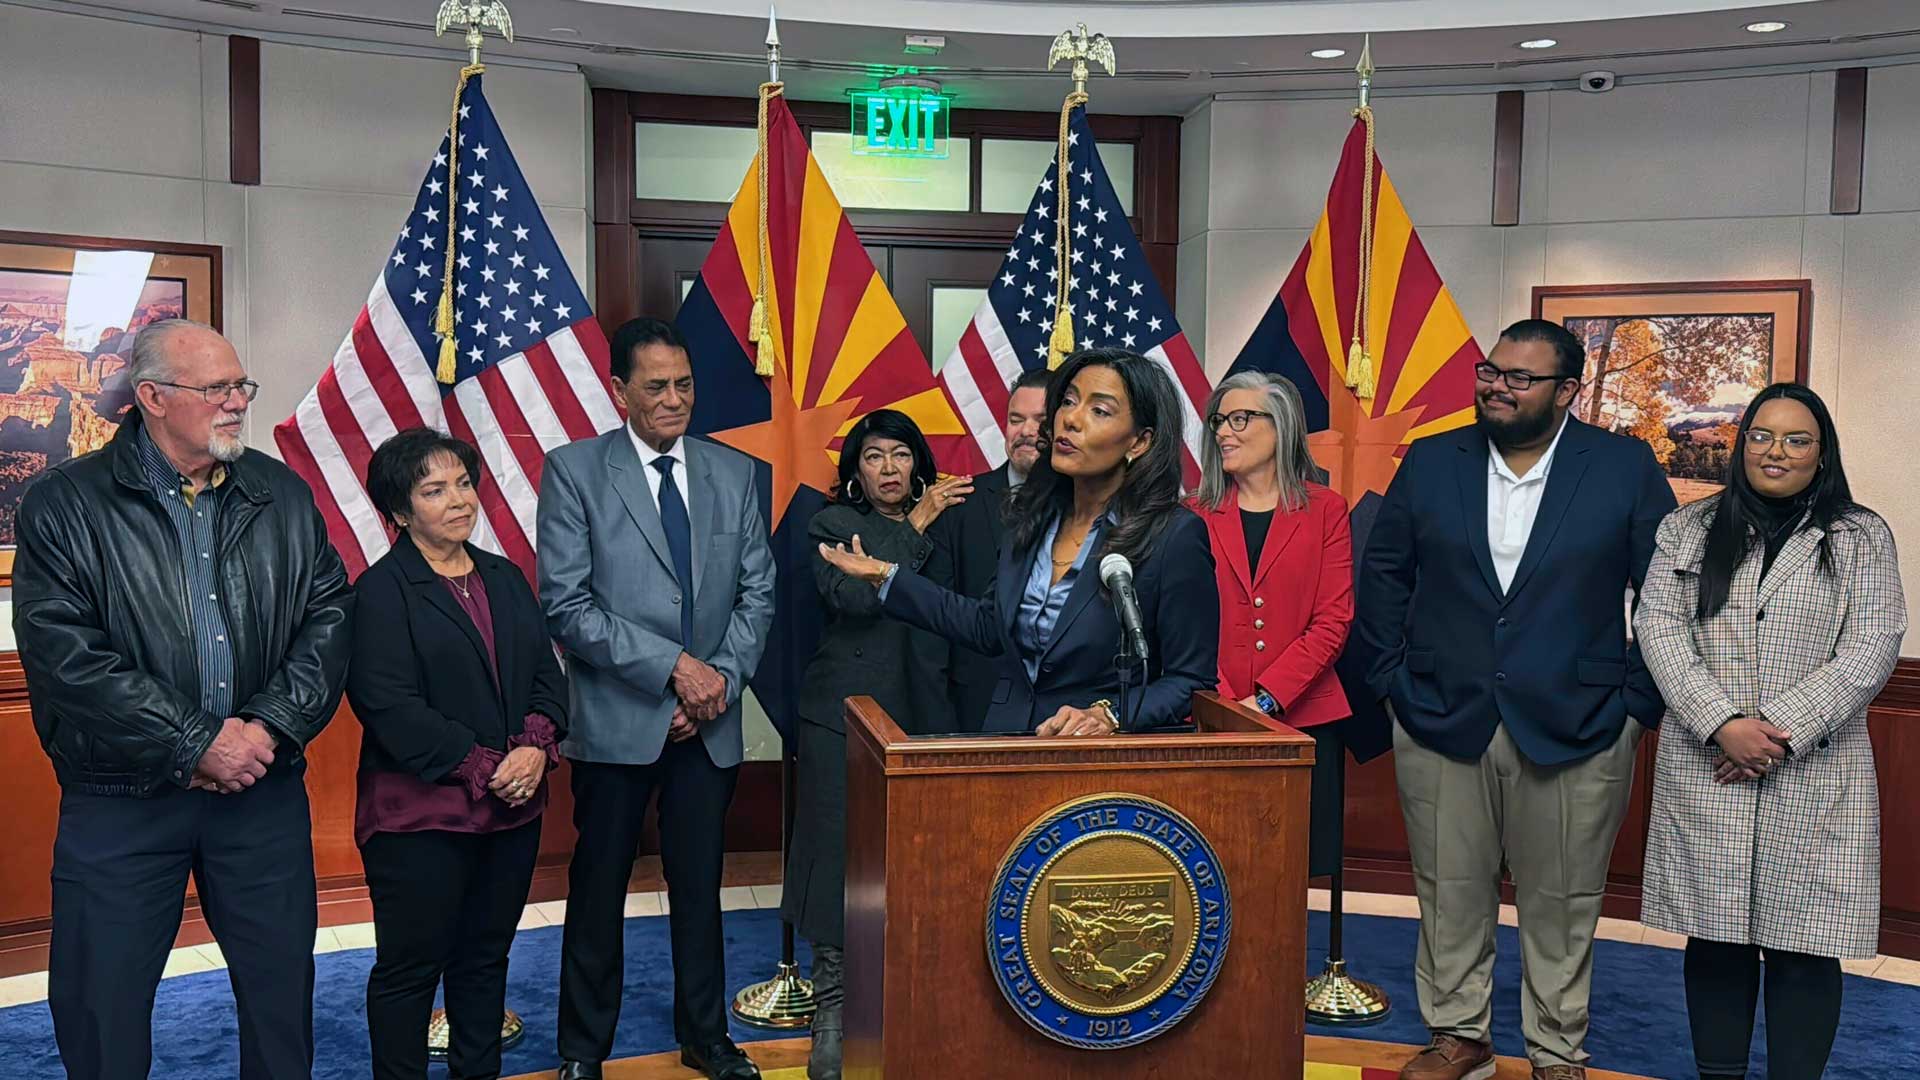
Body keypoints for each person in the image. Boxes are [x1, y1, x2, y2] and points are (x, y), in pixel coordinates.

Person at [12, 319, 354, 1079]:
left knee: (279, 1002)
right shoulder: (64, 504)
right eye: (218, 389)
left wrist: (269, 727)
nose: (237, 403)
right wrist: (196, 741)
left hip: (260, 792)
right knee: (102, 1008)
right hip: (121, 799)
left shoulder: (281, 493)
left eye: (242, 386)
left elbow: (329, 617)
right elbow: (65, 655)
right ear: (154, 398)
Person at [1355, 319, 1678, 1080]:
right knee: (1448, 887)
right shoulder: (1434, 460)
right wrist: (1393, 682)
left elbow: (1667, 590)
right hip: (1438, 713)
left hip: (1582, 720)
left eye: (1518, 378)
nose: (1496, 387)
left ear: (1567, 392)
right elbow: (1384, 574)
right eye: (1489, 372)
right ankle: (1458, 1037)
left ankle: (1556, 1051)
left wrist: (1636, 706)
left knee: (1562, 901)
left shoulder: (1623, 467)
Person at [1634, 383, 1905, 1080]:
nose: (1775, 452)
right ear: (1741, 444)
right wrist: (1722, 723)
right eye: (1761, 436)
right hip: (1708, 760)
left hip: (1816, 768)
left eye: (1795, 440)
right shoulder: (1688, 528)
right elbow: (1659, 628)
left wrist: (1773, 736)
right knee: (1717, 936)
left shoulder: (1860, 535)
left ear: (1821, 455)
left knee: (1805, 943)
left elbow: (1873, 645)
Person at [538, 317, 775, 1080]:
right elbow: (567, 605)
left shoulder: (734, 473)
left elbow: (757, 596)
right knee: (598, 888)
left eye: (684, 385)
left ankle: (706, 1037)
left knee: (701, 889)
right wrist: (676, 669)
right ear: (619, 392)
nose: (675, 400)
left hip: (707, 724)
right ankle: (583, 1050)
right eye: (656, 387)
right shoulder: (573, 471)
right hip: (616, 722)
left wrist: (718, 684)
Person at [819, 347, 1218, 736]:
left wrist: (1110, 714)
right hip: (1008, 744)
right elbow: (987, 627)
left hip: (1097, 765)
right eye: (1068, 402)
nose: (1070, 420)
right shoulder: (1030, 516)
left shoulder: (1173, 536)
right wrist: (886, 575)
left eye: (1099, 410)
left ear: (1140, 441)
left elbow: (1190, 680)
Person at [347, 429, 569, 1080]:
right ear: (398, 511)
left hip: (513, 815)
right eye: (434, 490)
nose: (458, 500)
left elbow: (546, 680)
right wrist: (481, 766)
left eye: (464, 484)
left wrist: (534, 748)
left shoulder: (503, 576)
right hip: (419, 821)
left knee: (484, 962)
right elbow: (388, 705)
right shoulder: (380, 592)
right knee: (410, 972)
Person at [788, 409, 969, 1080]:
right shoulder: (834, 526)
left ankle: (911, 1003)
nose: (889, 468)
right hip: (845, 716)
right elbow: (859, 601)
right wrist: (915, 524)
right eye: (874, 457)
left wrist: (928, 525)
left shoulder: (950, 525)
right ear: (856, 470)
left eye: (900, 455)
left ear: (916, 462)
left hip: (928, 715)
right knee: (838, 861)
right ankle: (830, 1014)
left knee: (922, 868)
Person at [1192, 371, 1353, 876]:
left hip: (1302, 721)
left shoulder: (1327, 509)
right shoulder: (1192, 514)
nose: (1223, 431)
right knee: (1217, 865)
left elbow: (1333, 620)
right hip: (1210, 721)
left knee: (1290, 871)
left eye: (1241, 418)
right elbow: (1184, 623)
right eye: (1219, 419)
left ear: (1281, 428)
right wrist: (1223, 707)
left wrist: (1263, 702)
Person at [947, 367, 1049, 728]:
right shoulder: (962, 503)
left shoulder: (1087, 504)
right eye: (1015, 420)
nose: (1025, 432)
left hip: (1059, 711)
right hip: (976, 702)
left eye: (1040, 420)